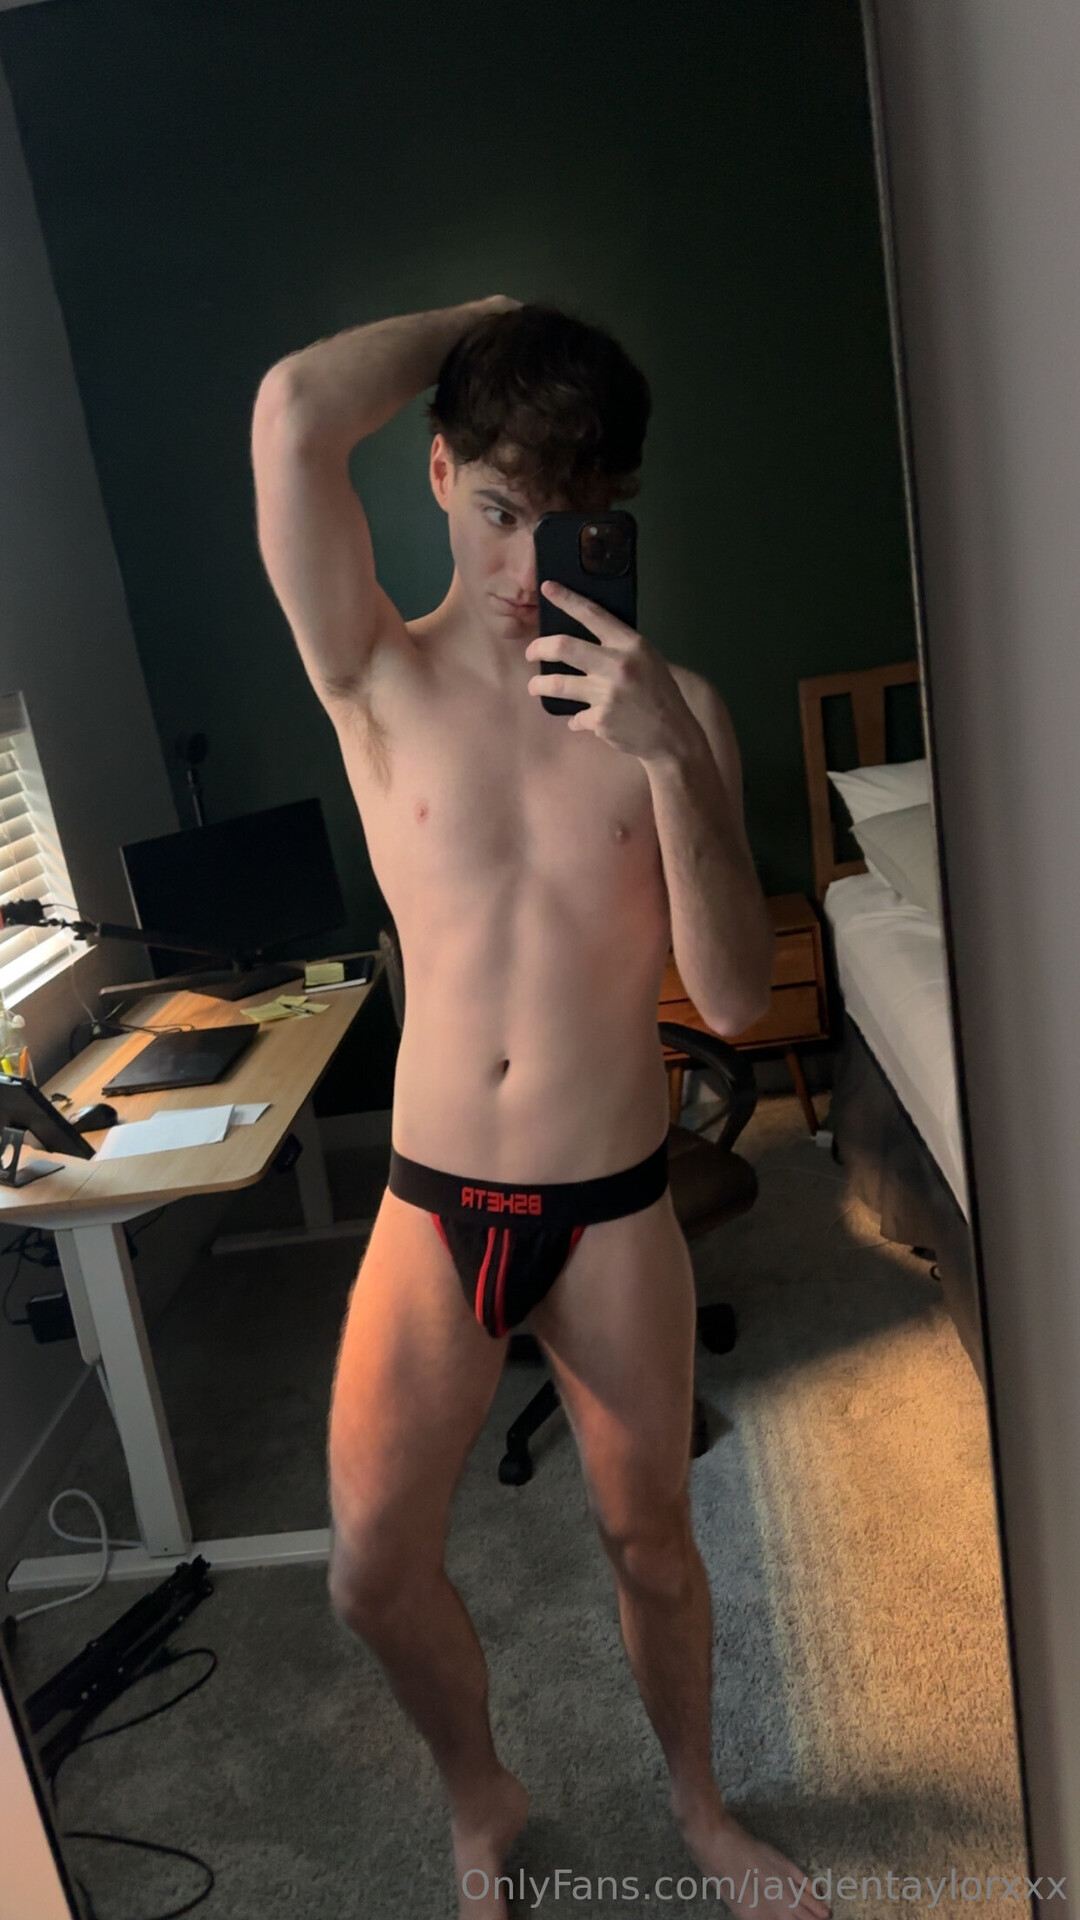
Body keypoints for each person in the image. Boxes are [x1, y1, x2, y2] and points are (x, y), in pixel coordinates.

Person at [250, 298, 829, 1920]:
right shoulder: (373, 672)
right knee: (371, 1571)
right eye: (498, 509)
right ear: (439, 475)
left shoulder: (674, 707)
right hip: (434, 1202)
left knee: (653, 1539)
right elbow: (294, 410)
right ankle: (480, 1793)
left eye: (564, 522)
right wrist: (484, 318)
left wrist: (673, 760)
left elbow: (732, 1000)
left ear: (612, 517)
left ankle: (701, 1809)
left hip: (614, 1203)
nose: (524, 569)